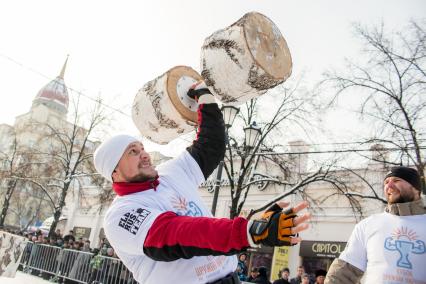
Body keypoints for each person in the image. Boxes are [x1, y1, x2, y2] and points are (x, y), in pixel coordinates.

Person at [93, 81, 311, 284]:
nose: (144, 155)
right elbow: (175, 234)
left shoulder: (169, 173)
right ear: (115, 172)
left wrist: (205, 100)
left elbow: (209, 147)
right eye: (133, 152)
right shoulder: (119, 214)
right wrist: (248, 231)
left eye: (142, 148)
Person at [325, 166, 426, 283]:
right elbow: (344, 273)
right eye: (386, 182)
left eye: (396, 181)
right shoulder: (368, 225)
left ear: (416, 188)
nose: (389, 185)